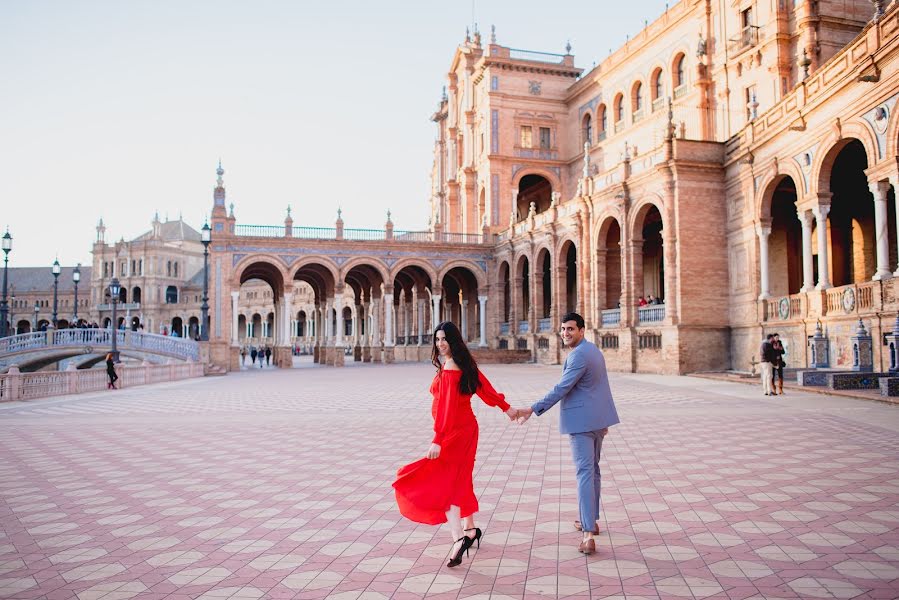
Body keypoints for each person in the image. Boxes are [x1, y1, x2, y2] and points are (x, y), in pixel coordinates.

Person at [393, 321, 518, 568]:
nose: (440, 344)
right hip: (468, 430)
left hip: (453, 433)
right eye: (437, 339)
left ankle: (458, 539)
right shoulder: (465, 364)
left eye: (444, 339)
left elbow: (446, 410)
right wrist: (508, 409)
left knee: (447, 483)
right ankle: (470, 529)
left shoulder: (450, 368)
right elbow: (485, 389)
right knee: (461, 479)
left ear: (453, 340)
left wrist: (437, 439)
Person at [513, 312, 620, 555]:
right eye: (563, 329)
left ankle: (587, 535)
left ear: (582, 330)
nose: (565, 333)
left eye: (570, 329)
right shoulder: (593, 350)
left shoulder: (579, 355)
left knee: (584, 473)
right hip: (597, 420)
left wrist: (532, 408)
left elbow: (561, 388)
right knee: (593, 470)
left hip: (582, 423)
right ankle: (589, 519)